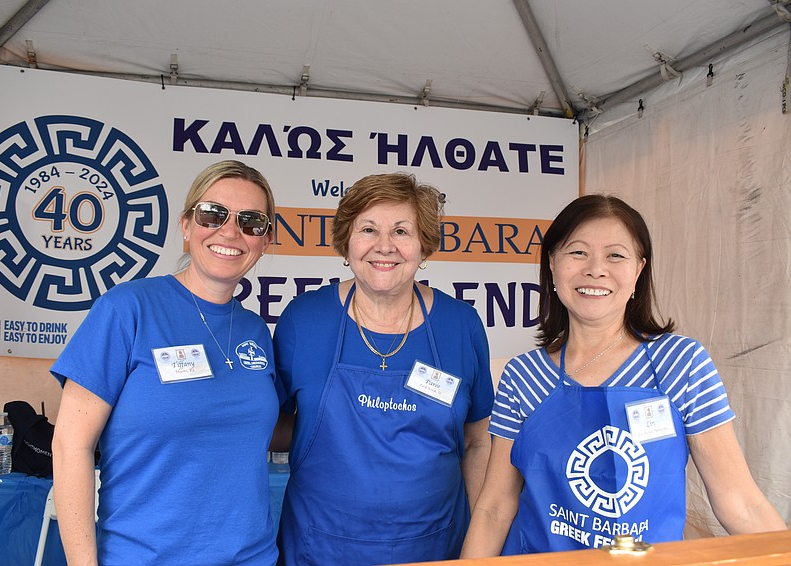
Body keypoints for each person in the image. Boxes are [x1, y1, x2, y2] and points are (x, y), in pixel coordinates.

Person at [461, 194, 787, 557]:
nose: (595, 269)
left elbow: (740, 501)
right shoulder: (524, 375)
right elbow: (494, 508)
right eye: (577, 252)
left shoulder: (680, 364)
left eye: (615, 255)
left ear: (638, 270)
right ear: (552, 263)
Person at [51, 160, 285, 565]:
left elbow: (263, 433)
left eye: (251, 222)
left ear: (264, 241)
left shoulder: (256, 331)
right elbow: (71, 444)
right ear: (186, 226)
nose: (230, 231)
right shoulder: (127, 310)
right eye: (213, 214)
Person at [274, 172, 494, 565]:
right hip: (320, 546)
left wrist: (480, 550)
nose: (384, 246)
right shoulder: (303, 320)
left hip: (436, 546)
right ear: (346, 242)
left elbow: (479, 442)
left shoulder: (461, 325)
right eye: (368, 229)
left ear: (424, 245)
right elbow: (271, 426)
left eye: (402, 231)